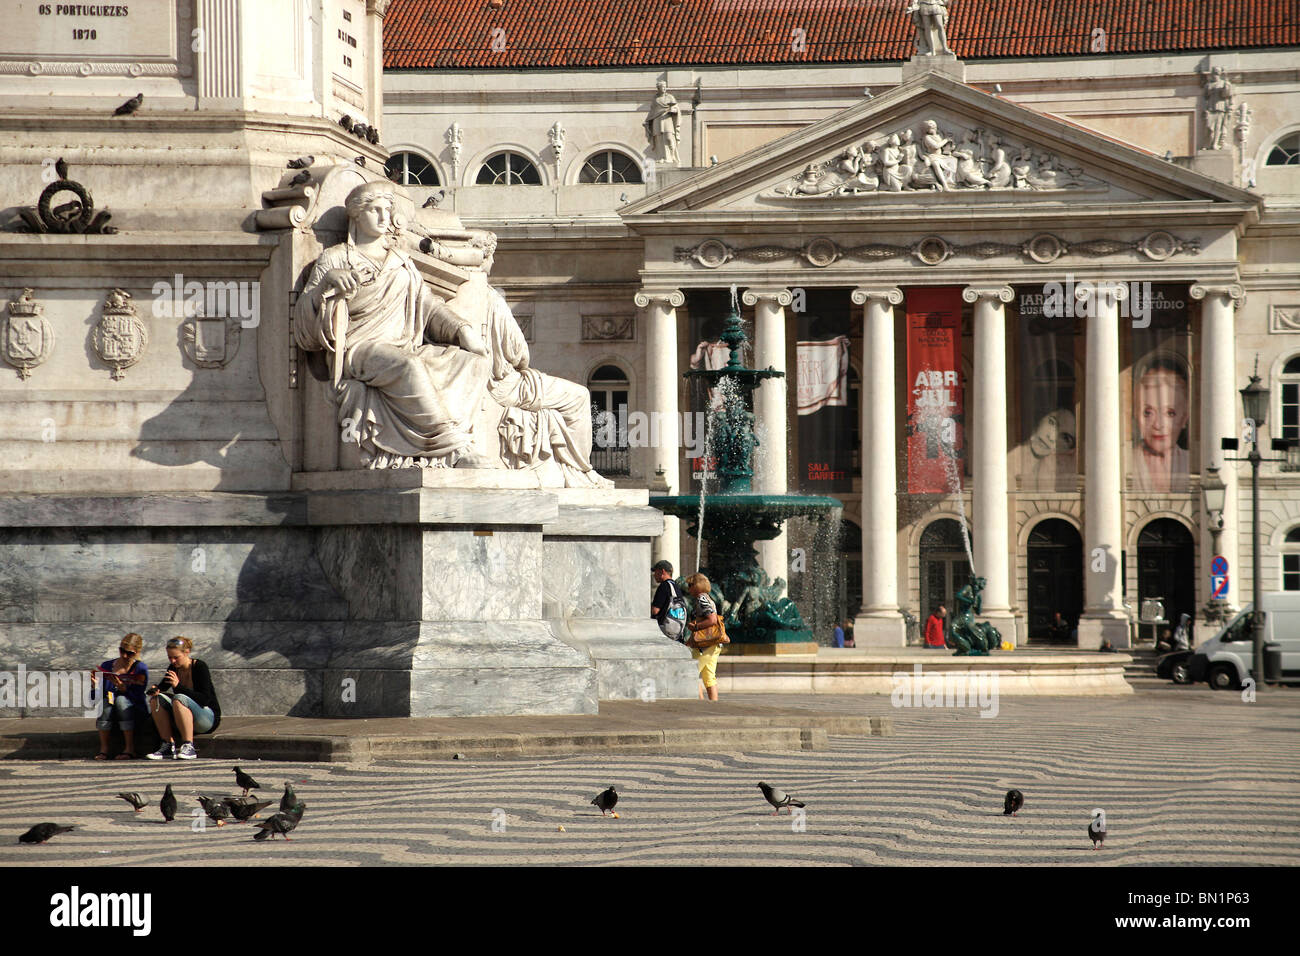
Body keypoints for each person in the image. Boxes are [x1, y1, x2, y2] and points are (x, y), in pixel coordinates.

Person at [294, 181, 492, 469]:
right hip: (358, 348)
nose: (384, 217)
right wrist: (326, 284)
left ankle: (453, 436)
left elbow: (429, 306)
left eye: (388, 209)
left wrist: (463, 330)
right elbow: (303, 324)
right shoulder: (336, 258)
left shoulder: (401, 261)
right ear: (357, 215)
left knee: (472, 362)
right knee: (407, 366)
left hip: (402, 345)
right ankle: (450, 445)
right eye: (375, 210)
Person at [145, 636, 221, 760]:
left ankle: (188, 746)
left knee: (179, 697)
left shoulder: (199, 667)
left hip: (207, 717)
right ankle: (167, 745)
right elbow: (163, 686)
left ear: (186, 652)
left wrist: (178, 686)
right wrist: (155, 690)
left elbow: (205, 699)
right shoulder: (173, 668)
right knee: (157, 699)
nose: (173, 661)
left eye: (176, 657)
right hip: (184, 717)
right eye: (170, 657)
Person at [1132, 355, 1191, 493]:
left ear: (1184, 418)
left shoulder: (1193, 462)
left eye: (1170, 413)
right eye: (1147, 413)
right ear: (1135, 416)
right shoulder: (1124, 463)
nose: (1158, 425)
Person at [89, 633, 149, 760]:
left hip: (132, 712)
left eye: (130, 653)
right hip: (110, 711)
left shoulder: (140, 669)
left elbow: (139, 696)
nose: (125, 656)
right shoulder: (106, 666)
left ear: (137, 652)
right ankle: (104, 749)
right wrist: (95, 687)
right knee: (105, 704)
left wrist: (124, 689)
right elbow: (94, 699)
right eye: (122, 651)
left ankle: (130, 749)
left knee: (121, 700)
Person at [684, 573, 723, 702]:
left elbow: (712, 619)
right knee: (709, 677)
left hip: (705, 645)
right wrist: (690, 640)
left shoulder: (702, 599)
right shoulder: (708, 598)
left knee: (691, 673)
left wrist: (695, 627)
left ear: (698, 586)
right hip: (713, 644)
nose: (688, 588)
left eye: (690, 585)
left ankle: (699, 703)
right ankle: (714, 704)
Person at [644, 80, 681, 164]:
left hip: (667, 119)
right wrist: (647, 120)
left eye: (665, 87)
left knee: (669, 138)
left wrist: (673, 110)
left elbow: (676, 108)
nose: (664, 88)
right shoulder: (655, 99)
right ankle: (662, 157)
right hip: (657, 120)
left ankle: (672, 157)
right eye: (662, 87)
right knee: (659, 139)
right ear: (658, 88)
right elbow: (652, 111)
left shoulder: (670, 97)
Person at [650, 559, 688, 641]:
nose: (654, 575)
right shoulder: (675, 586)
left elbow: (655, 610)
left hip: (664, 632)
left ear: (662, 571)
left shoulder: (664, 586)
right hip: (677, 632)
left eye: (655, 572)